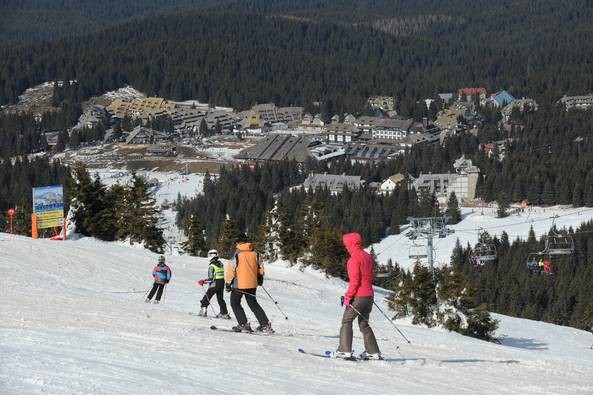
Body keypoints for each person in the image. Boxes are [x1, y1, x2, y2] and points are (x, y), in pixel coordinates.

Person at [336, 232, 382, 360]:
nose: (345, 247)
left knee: (346, 320)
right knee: (363, 324)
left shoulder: (353, 260)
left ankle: (344, 351)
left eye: (346, 245)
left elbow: (355, 281)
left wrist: (348, 297)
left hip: (358, 296)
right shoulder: (367, 257)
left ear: (350, 244)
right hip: (369, 295)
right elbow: (369, 276)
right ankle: (373, 352)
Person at [225, 235, 272, 333]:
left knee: (235, 302)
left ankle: (243, 324)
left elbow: (231, 269)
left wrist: (228, 283)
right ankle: (265, 324)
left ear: (238, 242)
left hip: (239, 284)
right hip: (252, 283)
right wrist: (260, 278)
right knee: (253, 303)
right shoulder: (255, 252)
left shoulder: (236, 253)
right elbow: (261, 267)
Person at [197, 249, 230, 319]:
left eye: (209, 254)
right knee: (220, 298)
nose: (208, 256)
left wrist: (203, 281)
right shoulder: (220, 263)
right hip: (221, 282)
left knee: (207, 296)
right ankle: (224, 313)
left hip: (215, 283)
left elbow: (211, 278)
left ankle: (203, 310)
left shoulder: (211, 265)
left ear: (212, 255)